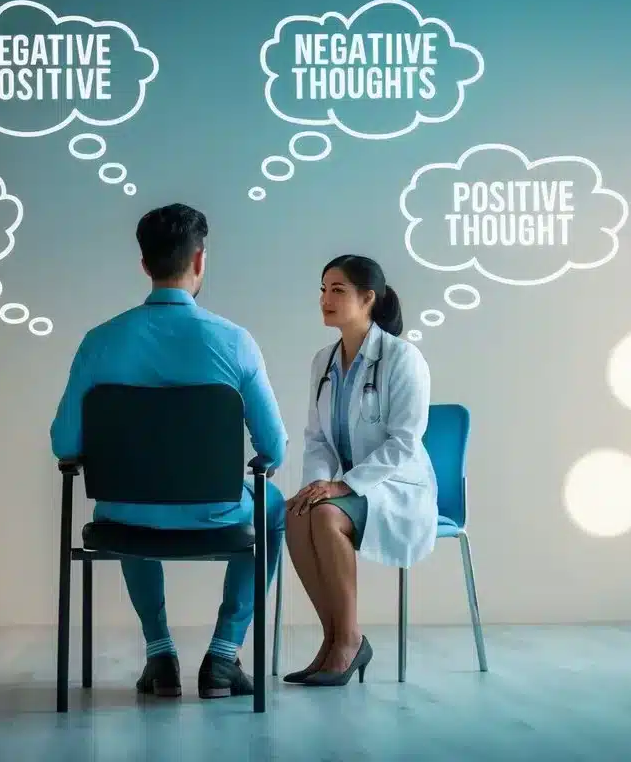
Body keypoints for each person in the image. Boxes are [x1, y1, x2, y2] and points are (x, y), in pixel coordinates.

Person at [50, 203, 287, 701]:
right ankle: (223, 656)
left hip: (123, 514)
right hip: (214, 512)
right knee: (273, 508)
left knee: (137, 498)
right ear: (199, 261)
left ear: (144, 264)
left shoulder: (99, 342)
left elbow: (64, 444)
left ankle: (160, 654)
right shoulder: (235, 342)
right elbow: (274, 448)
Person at [283, 254, 437, 686]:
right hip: (344, 485)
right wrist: (318, 482)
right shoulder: (323, 362)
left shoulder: (403, 359)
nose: (325, 299)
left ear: (368, 298)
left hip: (395, 485)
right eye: (322, 289)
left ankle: (349, 641)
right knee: (295, 511)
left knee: (326, 515)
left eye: (338, 290)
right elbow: (315, 436)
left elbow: (404, 443)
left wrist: (341, 485)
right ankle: (334, 638)